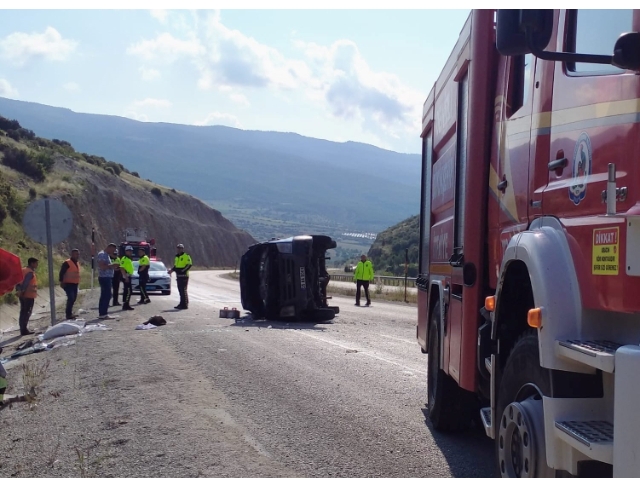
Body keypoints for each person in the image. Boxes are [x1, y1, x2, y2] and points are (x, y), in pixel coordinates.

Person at [96, 243, 120, 319]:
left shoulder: (106, 255)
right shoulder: (102, 254)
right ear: (109, 247)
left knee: (105, 295)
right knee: (107, 295)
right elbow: (102, 266)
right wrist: (112, 265)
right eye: (112, 250)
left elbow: (107, 266)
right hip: (104, 277)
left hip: (107, 277)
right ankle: (103, 313)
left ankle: (103, 313)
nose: (112, 252)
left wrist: (114, 268)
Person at [16, 257, 38, 335]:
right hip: (27, 295)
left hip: (22, 295)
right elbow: (25, 283)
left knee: (23, 311)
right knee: (26, 312)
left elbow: (18, 281)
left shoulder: (23, 270)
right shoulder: (30, 272)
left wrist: (18, 290)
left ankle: (22, 328)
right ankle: (24, 330)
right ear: (32, 263)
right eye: (36, 263)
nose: (37, 265)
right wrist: (22, 291)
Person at [59, 248, 81, 320]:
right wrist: (61, 281)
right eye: (76, 254)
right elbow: (62, 272)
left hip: (75, 283)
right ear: (72, 254)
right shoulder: (67, 263)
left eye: (78, 254)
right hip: (68, 284)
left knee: (74, 298)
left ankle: (70, 313)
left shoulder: (77, 263)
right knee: (71, 298)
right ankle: (68, 314)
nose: (77, 255)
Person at [169, 243, 192, 310]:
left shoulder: (186, 256)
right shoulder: (176, 257)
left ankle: (184, 305)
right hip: (178, 276)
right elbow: (176, 266)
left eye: (180, 248)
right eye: (178, 248)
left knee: (183, 290)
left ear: (182, 249)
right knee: (180, 290)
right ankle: (182, 303)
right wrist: (171, 270)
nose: (179, 250)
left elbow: (189, 265)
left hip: (184, 276)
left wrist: (183, 271)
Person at [119, 246, 135, 311]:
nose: (130, 252)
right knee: (129, 291)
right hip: (126, 276)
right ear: (126, 251)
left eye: (131, 251)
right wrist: (125, 277)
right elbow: (122, 268)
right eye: (129, 251)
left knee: (127, 291)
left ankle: (126, 304)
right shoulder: (124, 258)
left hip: (128, 276)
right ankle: (126, 305)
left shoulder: (129, 258)